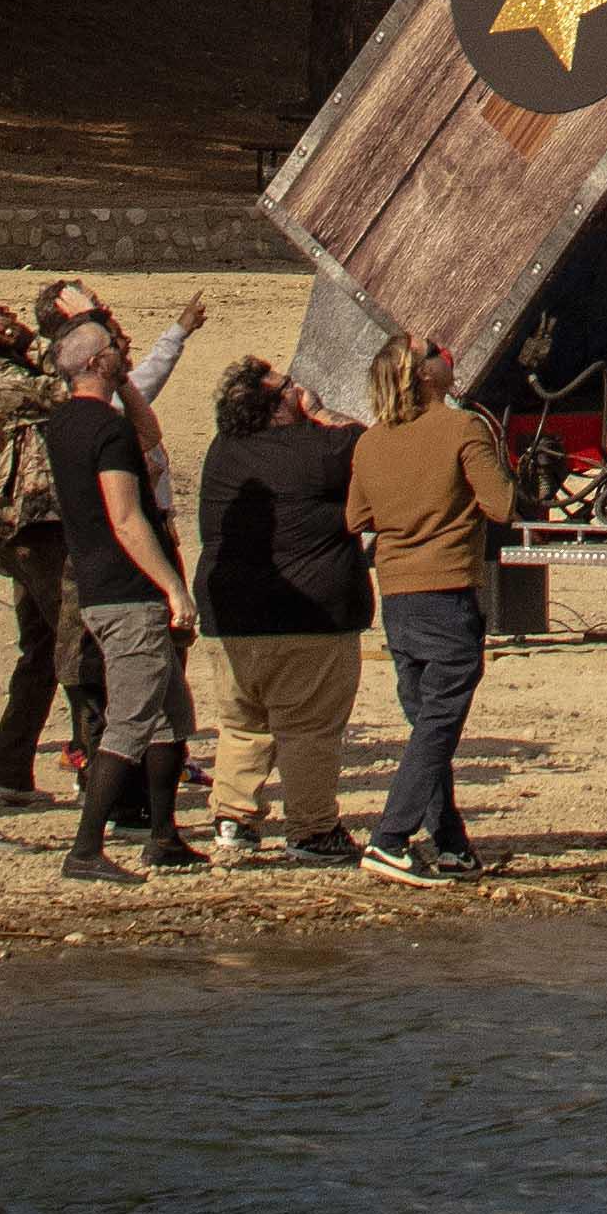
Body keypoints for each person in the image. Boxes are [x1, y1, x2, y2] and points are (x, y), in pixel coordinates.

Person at [0, 272, 205, 804]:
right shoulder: (58, 396)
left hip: (63, 538)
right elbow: (115, 383)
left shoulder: (71, 391)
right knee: (90, 659)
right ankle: (96, 792)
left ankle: (34, 769)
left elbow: (132, 395)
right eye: (104, 334)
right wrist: (172, 586)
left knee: (51, 652)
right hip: (94, 549)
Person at [344, 332, 517, 883]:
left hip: (397, 594)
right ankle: (389, 838)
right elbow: (503, 505)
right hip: (446, 591)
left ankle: (450, 843)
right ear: (423, 374)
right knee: (438, 721)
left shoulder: (371, 441)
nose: (446, 353)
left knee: (426, 722)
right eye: (435, 350)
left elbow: (357, 517)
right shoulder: (463, 427)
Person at [194, 352, 373, 864]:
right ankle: (312, 829)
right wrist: (319, 413)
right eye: (289, 387)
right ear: (275, 408)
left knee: (242, 724)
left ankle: (234, 820)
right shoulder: (322, 448)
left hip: (229, 616)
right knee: (310, 729)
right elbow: (367, 443)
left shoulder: (222, 451)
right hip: (308, 616)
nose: (300, 389)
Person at [43, 314, 203, 882]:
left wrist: (127, 381)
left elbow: (151, 438)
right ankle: (85, 849)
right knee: (132, 720)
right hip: (127, 589)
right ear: (94, 363)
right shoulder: (105, 431)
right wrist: (173, 587)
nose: (123, 349)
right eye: (113, 349)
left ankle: (163, 836)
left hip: (100, 584)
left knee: (170, 716)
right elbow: (128, 518)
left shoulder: (67, 421)